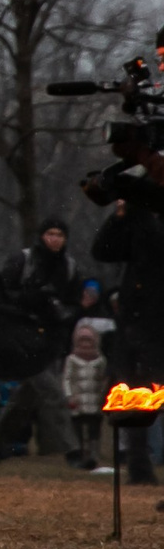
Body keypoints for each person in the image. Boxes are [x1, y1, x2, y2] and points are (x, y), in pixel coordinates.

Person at [0, 218, 80, 462]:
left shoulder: (69, 267)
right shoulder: (23, 260)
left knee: (26, 398)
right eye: (50, 233)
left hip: (51, 338)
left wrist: (60, 312)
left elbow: (74, 304)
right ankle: (73, 451)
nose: (55, 239)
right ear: (41, 236)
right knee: (52, 394)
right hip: (22, 337)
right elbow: (0, 294)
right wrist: (31, 299)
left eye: (59, 235)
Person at [90, 183, 164, 486]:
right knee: (136, 392)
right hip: (138, 318)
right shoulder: (139, 216)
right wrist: (120, 216)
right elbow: (103, 251)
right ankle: (138, 464)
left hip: (156, 315)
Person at [62, 321, 111, 470]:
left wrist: (103, 395)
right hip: (78, 402)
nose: (85, 346)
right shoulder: (71, 360)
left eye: (88, 343)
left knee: (94, 430)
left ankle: (93, 455)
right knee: (77, 429)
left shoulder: (100, 360)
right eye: (82, 343)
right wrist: (70, 395)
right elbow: (67, 379)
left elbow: (103, 379)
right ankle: (79, 455)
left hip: (94, 402)